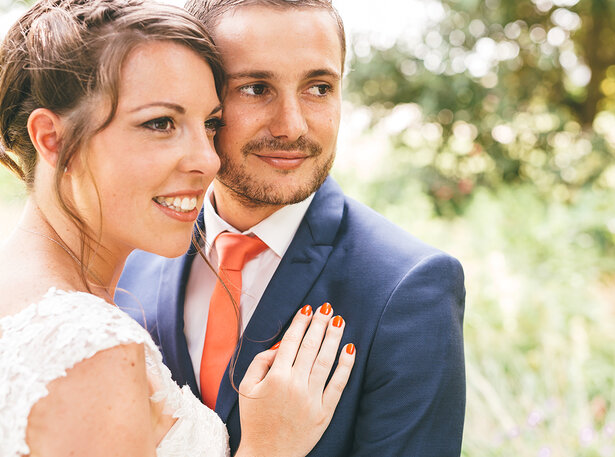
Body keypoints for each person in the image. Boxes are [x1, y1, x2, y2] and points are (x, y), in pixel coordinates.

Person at [0, 1, 355, 456]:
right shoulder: (91, 352)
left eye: (209, 124)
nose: (208, 159)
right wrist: (267, 448)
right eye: (161, 123)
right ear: (54, 139)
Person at [116, 0, 466, 455]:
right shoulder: (130, 257)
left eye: (319, 88)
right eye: (256, 88)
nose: (292, 126)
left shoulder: (409, 289)